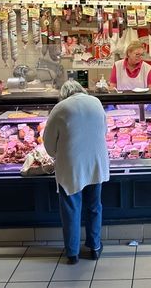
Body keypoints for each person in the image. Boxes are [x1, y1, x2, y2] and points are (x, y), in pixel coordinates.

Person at [44, 80, 110, 264]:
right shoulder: (95, 102)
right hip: (96, 163)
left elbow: (49, 145)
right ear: (81, 90)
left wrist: (60, 150)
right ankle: (95, 247)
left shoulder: (60, 108)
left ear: (64, 94)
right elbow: (104, 130)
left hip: (71, 166)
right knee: (94, 206)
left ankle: (73, 253)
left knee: (71, 209)